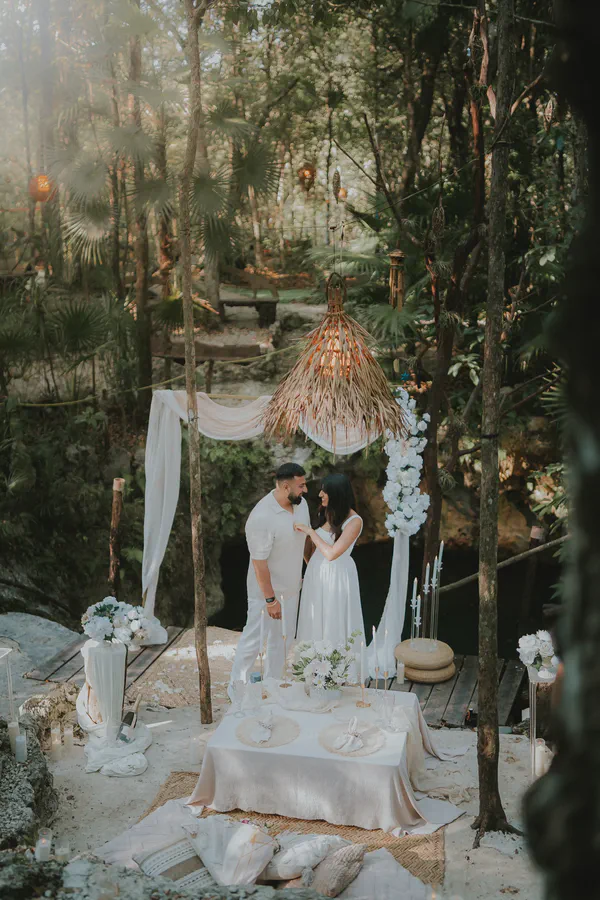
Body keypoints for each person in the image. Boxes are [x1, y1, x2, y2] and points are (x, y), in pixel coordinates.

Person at [229, 463, 310, 689]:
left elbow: (305, 541)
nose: (305, 490)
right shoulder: (261, 517)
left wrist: (309, 570)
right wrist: (270, 600)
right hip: (265, 594)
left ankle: (272, 686)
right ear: (286, 486)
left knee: (283, 642)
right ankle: (236, 688)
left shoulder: (301, 505)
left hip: (292, 589)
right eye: (301, 485)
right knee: (253, 641)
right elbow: (259, 563)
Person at [295, 473, 365, 648]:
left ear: (336, 493)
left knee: (333, 619)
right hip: (316, 574)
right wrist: (310, 568)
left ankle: (336, 665)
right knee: (315, 617)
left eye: (324, 491)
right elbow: (311, 551)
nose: (320, 495)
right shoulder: (326, 512)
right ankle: (313, 664)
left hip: (338, 575)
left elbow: (333, 553)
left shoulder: (354, 521)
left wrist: (311, 532)